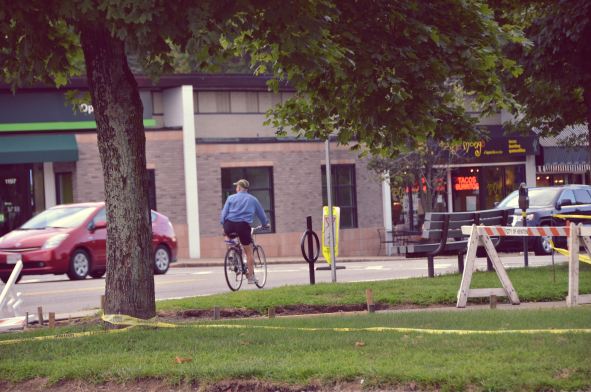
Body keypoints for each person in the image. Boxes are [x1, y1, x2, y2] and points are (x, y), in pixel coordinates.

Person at [220, 179, 270, 284]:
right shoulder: (253, 199)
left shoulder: (230, 198)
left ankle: (232, 254)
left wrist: (223, 224)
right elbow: (261, 214)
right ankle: (251, 277)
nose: (236, 188)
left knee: (227, 234)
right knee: (248, 251)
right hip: (243, 226)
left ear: (239, 188)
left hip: (229, 224)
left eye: (236, 186)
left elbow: (223, 214)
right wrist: (265, 224)